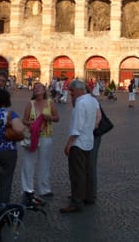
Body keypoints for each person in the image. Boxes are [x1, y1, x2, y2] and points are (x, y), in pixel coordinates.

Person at [60, 79, 100, 213]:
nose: (70, 93)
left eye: (72, 90)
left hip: (78, 143)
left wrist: (69, 144)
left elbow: (77, 127)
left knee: (77, 173)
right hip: (89, 141)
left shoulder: (80, 103)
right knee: (87, 171)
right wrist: (90, 129)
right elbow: (97, 119)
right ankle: (88, 197)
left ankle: (76, 202)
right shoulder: (93, 100)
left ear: (79, 90)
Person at [0, 89, 26, 205]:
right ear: (7, 100)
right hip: (7, 151)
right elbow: (19, 129)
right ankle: (2, 212)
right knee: (5, 183)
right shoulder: (10, 114)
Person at [20, 83, 59, 203]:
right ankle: (27, 189)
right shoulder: (30, 104)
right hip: (32, 136)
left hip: (46, 136)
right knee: (28, 163)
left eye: (39, 88)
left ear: (44, 90)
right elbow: (24, 120)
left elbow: (57, 118)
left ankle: (44, 188)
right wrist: (31, 124)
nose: (36, 89)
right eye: (35, 88)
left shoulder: (50, 103)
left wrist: (50, 118)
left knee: (44, 163)